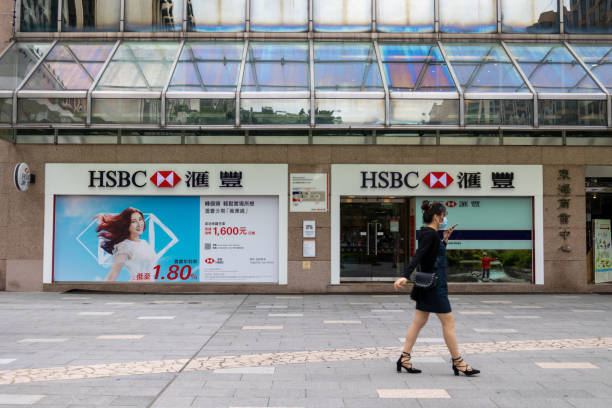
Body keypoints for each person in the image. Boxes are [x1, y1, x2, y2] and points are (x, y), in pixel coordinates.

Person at [393, 201, 480, 377]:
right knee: (448, 322)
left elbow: (432, 256)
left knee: (418, 322)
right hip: (434, 285)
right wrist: (405, 274)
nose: (445, 218)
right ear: (436, 216)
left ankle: (404, 358)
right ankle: (459, 363)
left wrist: (444, 241)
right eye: (444, 214)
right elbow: (419, 255)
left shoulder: (432, 234)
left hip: (430, 283)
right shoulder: (429, 235)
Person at [95, 207, 157, 282]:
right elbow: (112, 276)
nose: (139, 224)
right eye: (133, 221)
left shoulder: (144, 243)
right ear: (127, 225)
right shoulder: (124, 246)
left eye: (140, 219)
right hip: (136, 290)